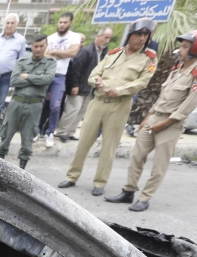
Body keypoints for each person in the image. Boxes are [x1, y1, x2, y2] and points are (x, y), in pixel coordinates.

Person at [105, 30, 197, 212]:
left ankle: (145, 198)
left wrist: (166, 123)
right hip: (154, 117)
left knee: (159, 165)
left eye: (185, 47)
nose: (180, 50)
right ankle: (128, 191)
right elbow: (163, 96)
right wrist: (148, 117)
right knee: (137, 156)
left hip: (171, 124)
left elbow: (190, 103)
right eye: (181, 46)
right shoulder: (177, 67)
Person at [59, 18, 157, 195]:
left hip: (119, 106)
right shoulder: (113, 54)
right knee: (84, 142)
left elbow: (142, 82)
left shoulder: (148, 59)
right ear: (131, 35)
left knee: (109, 146)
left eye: (145, 35)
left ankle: (100, 182)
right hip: (97, 102)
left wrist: (119, 90)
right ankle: (72, 176)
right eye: (138, 34)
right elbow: (94, 74)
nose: (142, 38)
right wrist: (96, 81)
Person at [0, 34, 55, 170]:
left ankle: (22, 170)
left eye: (41, 46)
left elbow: (46, 80)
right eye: (36, 46)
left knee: (27, 139)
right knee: (6, 135)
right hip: (16, 102)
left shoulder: (50, 63)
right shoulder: (22, 61)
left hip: (34, 105)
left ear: (46, 47)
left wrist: (27, 76)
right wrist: (37, 79)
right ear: (32, 46)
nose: (38, 49)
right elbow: (14, 80)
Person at [56, 27, 112, 142]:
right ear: (99, 36)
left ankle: (70, 132)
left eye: (109, 38)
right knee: (72, 109)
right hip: (79, 86)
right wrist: (74, 85)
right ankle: (62, 131)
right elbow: (76, 70)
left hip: (91, 88)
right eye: (105, 37)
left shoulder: (105, 52)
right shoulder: (86, 51)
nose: (107, 40)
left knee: (82, 111)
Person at [40, 12, 82, 148]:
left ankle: (50, 132)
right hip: (46, 74)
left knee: (55, 106)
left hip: (59, 77)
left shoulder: (74, 37)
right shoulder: (50, 38)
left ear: (70, 23)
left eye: (65, 22)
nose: (62, 25)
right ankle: (36, 130)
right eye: (60, 22)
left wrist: (53, 53)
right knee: (39, 104)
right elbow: (44, 55)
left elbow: (73, 52)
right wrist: (57, 54)